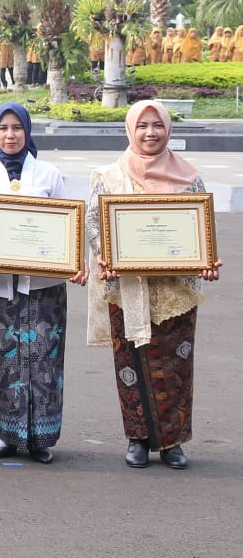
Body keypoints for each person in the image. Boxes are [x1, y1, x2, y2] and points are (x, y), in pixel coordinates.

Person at [85, 100, 222, 470]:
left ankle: (173, 441)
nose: (150, 133)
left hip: (175, 293)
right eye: (142, 125)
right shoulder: (109, 177)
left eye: (157, 125)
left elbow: (201, 230)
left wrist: (206, 263)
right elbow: (95, 223)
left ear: (168, 130)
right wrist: (105, 256)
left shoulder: (189, 178)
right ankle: (138, 438)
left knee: (176, 366)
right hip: (127, 290)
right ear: (131, 130)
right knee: (130, 363)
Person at [0, 102, 85, 464]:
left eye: (17, 127)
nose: (11, 135)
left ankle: (42, 438)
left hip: (44, 287)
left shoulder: (48, 174)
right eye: (3, 128)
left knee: (44, 360)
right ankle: (8, 435)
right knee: (4, 360)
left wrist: (75, 264)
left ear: (27, 131)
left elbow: (69, 229)